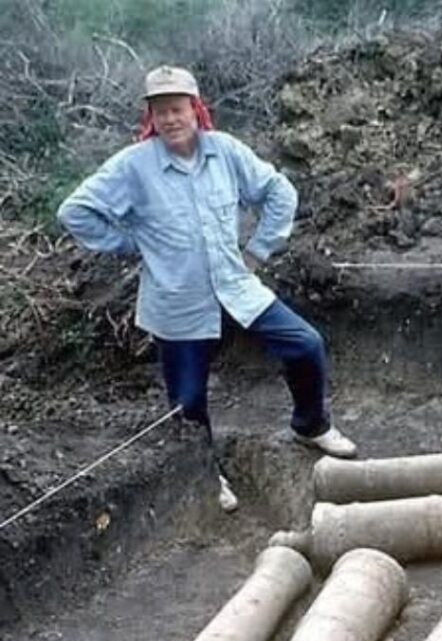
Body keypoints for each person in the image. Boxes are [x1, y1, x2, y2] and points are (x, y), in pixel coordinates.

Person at [57, 65, 357, 484]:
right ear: (151, 118)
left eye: (177, 109)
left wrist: (258, 250)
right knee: (188, 402)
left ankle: (311, 426)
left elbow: (279, 192)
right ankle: (205, 477)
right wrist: (131, 244)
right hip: (176, 300)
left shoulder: (225, 151)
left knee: (306, 345)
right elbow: (74, 211)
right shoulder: (133, 166)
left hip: (235, 286)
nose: (170, 119)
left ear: (196, 109)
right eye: (160, 111)